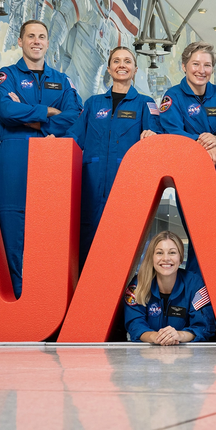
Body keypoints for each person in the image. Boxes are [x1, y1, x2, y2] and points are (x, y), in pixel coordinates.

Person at [0, 20, 82, 297]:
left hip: (52, 158)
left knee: (48, 229)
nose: (36, 41)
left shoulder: (62, 80)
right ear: (20, 41)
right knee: (11, 227)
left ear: (47, 42)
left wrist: (31, 116)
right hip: (15, 158)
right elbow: (5, 109)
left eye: (41, 36)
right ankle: (16, 299)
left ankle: (44, 301)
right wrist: (49, 113)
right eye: (30, 36)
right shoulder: (6, 76)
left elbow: (75, 115)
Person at [67, 46, 159, 267]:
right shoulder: (93, 104)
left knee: (122, 241)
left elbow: (156, 140)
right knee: (87, 238)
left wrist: (152, 136)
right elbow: (72, 138)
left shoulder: (147, 104)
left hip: (126, 184)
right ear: (109, 69)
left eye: (127, 61)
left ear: (135, 69)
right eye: (116, 61)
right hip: (91, 184)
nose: (122, 65)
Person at [157, 41, 216, 276]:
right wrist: (203, 144)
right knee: (199, 237)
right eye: (195, 64)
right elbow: (171, 131)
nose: (201, 70)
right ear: (184, 66)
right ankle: (197, 301)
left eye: (207, 65)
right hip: (191, 177)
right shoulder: (172, 96)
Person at [124, 231, 216, 344]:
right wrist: (155, 337)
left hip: (186, 356)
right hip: (147, 355)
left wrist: (180, 335)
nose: (166, 258)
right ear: (151, 258)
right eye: (159, 253)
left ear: (180, 257)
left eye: (172, 253)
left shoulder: (195, 284)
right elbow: (134, 323)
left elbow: (203, 326)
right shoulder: (138, 284)